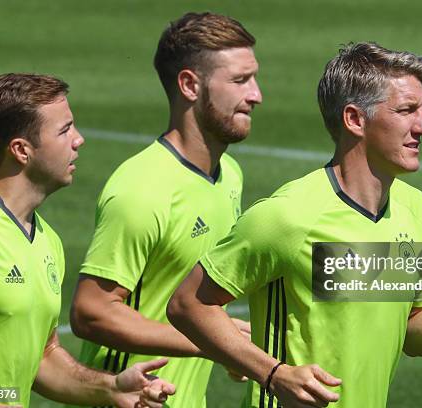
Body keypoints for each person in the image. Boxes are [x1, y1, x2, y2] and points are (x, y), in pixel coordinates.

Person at [167, 42, 422, 408]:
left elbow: (412, 332)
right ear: (355, 120)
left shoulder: (414, 210)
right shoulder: (287, 217)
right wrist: (273, 373)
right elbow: (188, 305)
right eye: (406, 110)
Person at [69, 12, 261, 408]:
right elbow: (91, 313)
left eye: (254, 77)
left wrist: (221, 344)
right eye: (240, 80)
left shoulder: (229, 175)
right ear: (190, 85)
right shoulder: (142, 189)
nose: (257, 94)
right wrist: (213, 343)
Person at [0, 73, 175, 408]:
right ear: (21, 150)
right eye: (64, 129)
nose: (79, 139)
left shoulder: (46, 241)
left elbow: (43, 358)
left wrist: (111, 388)